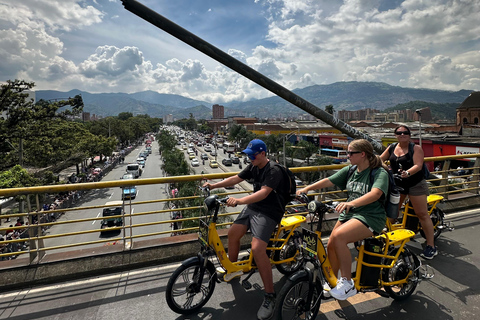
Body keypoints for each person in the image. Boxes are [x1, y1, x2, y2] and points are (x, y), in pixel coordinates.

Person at [202, 139, 286, 320]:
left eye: (252, 155)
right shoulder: (254, 166)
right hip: (255, 207)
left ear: (263, 153)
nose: (250, 158)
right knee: (233, 234)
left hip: (270, 211)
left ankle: (270, 296)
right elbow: (236, 178)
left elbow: (264, 193)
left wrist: (239, 201)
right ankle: (232, 270)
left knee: (257, 250)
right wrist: (213, 185)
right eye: (248, 155)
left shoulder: (273, 170)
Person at [297, 139, 389, 301]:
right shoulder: (351, 170)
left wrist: (351, 203)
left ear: (362, 154)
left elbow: (376, 194)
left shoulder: (379, 172)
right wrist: (307, 188)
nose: (347, 156)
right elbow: (329, 180)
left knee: (339, 237)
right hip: (350, 214)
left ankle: (347, 283)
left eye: (350, 153)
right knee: (331, 243)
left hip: (370, 216)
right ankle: (333, 281)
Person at [380, 125, 437, 259]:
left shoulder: (415, 148)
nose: (402, 134)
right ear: (395, 135)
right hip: (398, 184)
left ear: (409, 135)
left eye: (405, 132)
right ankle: (387, 241)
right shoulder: (392, 147)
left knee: (422, 214)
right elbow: (379, 160)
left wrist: (407, 172)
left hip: (415, 184)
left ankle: (431, 246)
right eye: (399, 132)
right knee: (391, 213)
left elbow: (418, 165)